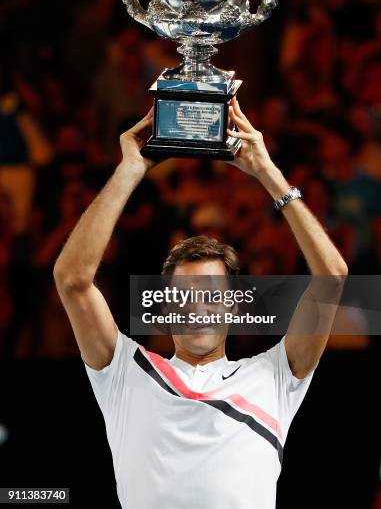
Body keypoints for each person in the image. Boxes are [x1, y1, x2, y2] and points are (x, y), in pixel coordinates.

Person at [53, 98, 348, 509]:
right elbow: (72, 280)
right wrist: (130, 170)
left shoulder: (276, 374)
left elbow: (332, 278)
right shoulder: (124, 371)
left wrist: (267, 171)